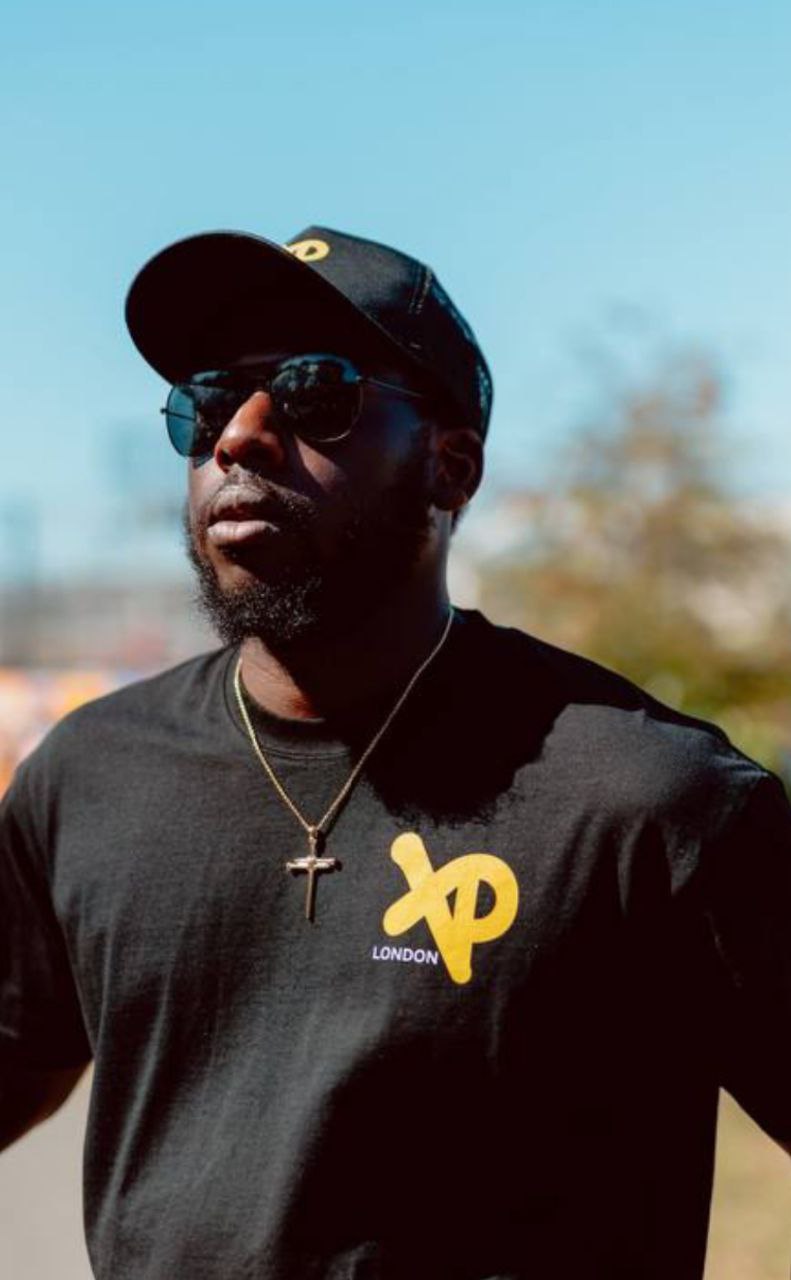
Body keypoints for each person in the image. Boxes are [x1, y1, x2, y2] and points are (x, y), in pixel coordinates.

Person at [1, 225, 789, 1280]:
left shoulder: (651, 798)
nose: (238, 438)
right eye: (205, 401)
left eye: (312, 392)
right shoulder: (88, 774)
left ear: (449, 468)